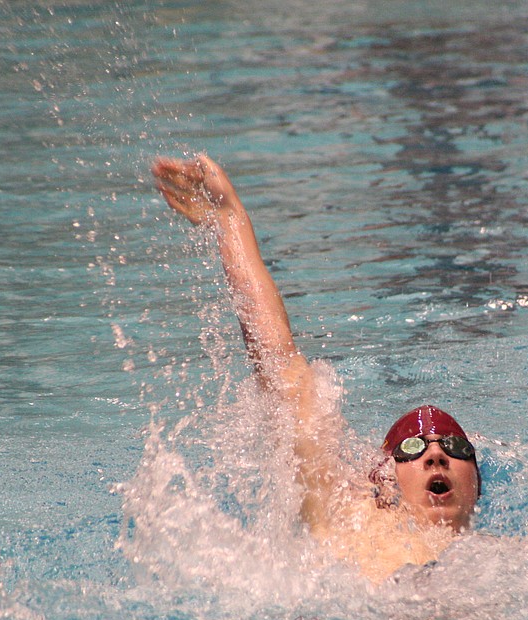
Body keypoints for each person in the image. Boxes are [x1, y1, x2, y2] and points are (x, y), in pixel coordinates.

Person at [151, 154, 482, 582]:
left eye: (455, 448)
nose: (437, 455)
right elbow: (282, 367)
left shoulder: (516, 561)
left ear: (477, 481)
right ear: (385, 481)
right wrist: (230, 220)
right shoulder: (347, 523)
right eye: (412, 449)